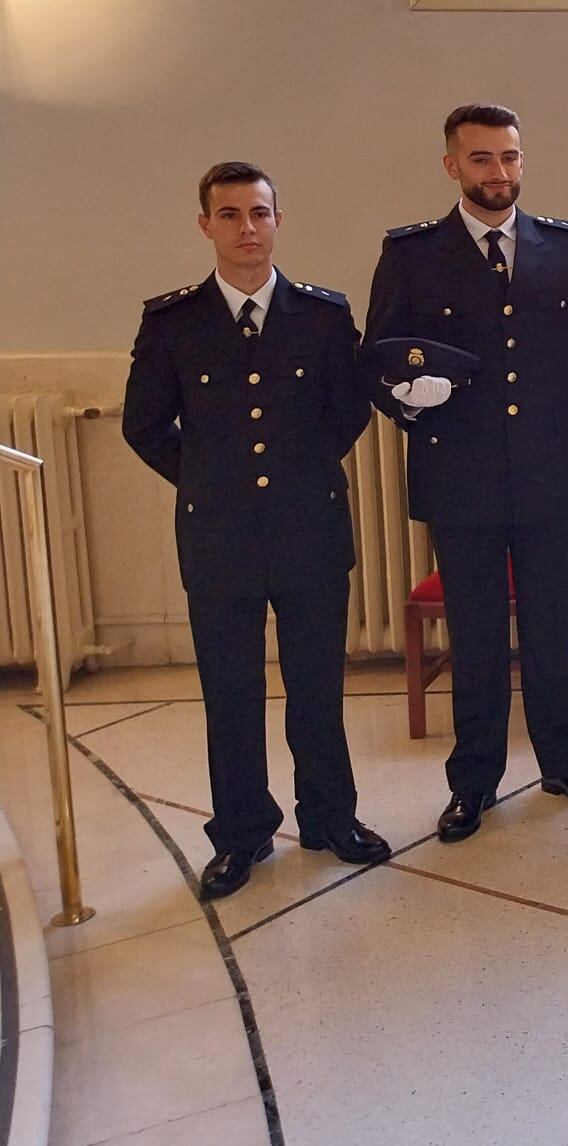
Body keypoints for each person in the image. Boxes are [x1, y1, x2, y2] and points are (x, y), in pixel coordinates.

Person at [362, 103, 568, 841]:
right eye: (482, 159)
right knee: (476, 636)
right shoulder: (414, 253)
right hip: (462, 477)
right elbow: (379, 357)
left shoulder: (564, 247)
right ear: (452, 165)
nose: (499, 173)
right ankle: (473, 781)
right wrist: (406, 402)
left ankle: (566, 760)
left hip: (551, 472)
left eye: (510, 157)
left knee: (553, 627)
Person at [121, 162, 389, 899]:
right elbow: (144, 424)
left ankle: (332, 817)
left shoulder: (323, 315)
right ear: (205, 225)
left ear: (278, 221)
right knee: (231, 693)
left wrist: (301, 471)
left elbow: (349, 409)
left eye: (260, 213)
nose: (248, 229)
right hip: (220, 538)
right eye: (231, 214)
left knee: (317, 688)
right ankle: (240, 835)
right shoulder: (173, 322)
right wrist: (210, 478)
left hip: (310, 528)